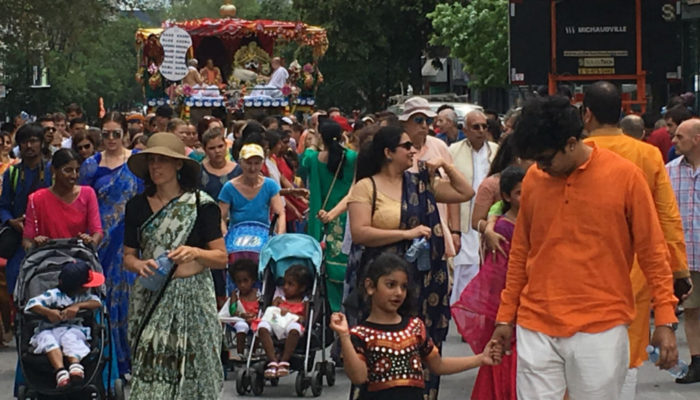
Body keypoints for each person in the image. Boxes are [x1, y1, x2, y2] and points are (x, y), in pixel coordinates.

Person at [491, 96, 679, 399]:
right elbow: (521, 254)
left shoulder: (625, 177)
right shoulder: (534, 182)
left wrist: (666, 319)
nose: (540, 167)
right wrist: (505, 317)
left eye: (545, 159)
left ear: (570, 143)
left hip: (601, 325)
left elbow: (652, 251)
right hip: (535, 322)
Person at [347, 125, 473, 400]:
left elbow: (465, 193)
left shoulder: (420, 183)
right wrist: (406, 234)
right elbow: (360, 232)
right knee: (379, 347)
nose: (414, 150)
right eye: (406, 146)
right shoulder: (366, 187)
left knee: (421, 344)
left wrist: (445, 167)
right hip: (383, 279)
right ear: (388, 153)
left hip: (422, 280)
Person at [581, 81, 690, 398]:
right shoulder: (647, 156)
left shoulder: (573, 154)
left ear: (586, 114)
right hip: (634, 270)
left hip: (580, 270)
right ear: (622, 111)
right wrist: (678, 272)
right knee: (628, 355)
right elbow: (667, 216)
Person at [123, 132, 227, 399]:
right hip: (150, 296)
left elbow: (221, 257)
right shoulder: (136, 206)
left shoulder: (202, 206)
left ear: (178, 164)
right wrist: (139, 265)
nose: (155, 167)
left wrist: (195, 252)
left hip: (192, 299)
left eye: (163, 160)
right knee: (149, 365)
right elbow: (128, 256)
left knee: (196, 368)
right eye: (152, 161)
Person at [330, 253, 501, 400]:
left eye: (403, 287)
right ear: (370, 286)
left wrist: (480, 359)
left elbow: (438, 365)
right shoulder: (360, 335)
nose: (398, 292)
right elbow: (359, 377)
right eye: (390, 285)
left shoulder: (414, 327)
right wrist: (344, 336)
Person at [79, 111, 143, 377]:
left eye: (117, 134)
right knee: (102, 299)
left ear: (126, 135)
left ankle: (130, 361)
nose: (111, 139)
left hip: (129, 240)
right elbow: (81, 201)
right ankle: (108, 361)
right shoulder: (92, 165)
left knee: (128, 300)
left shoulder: (138, 162)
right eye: (106, 134)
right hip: (100, 241)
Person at [453, 166, 524, 400]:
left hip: (526, 305)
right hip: (510, 308)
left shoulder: (525, 223)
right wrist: (504, 315)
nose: (525, 198)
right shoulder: (503, 229)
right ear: (506, 196)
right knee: (507, 363)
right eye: (519, 194)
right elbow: (498, 277)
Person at [299, 120, 357, 312]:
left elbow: (303, 162)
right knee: (344, 264)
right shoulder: (351, 158)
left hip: (321, 218)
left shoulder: (313, 159)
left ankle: (332, 311)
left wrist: (315, 142)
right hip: (345, 217)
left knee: (326, 267)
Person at [24, 260, 104, 388]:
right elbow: (31, 304)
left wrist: (78, 306)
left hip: (73, 328)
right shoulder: (53, 295)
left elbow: (97, 303)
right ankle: (60, 371)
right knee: (47, 339)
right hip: (49, 330)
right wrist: (48, 312)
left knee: (71, 337)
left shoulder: (85, 296)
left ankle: (75, 366)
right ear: (80, 286)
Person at [449, 109, 499, 304]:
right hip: (463, 219)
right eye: (475, 127)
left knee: (487, 267)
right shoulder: (453, 151)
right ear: (465, 129)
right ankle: (466, 314)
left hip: (490, 218)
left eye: (484, 126)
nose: (480, 131)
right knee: (466, 268)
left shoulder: (496, 151)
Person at [0, 123, 52, 297]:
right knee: (16, 284)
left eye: (33, 141)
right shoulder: (12, 173)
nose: (29, 146)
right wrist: (11, 221)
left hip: (50, 238)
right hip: (20, 240)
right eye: (24, 142)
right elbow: (4, 205)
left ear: (41, 143)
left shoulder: (53, 171)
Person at [666, 118, 700, 384]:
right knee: (691, 310)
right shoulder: (669, 172)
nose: (673, 141)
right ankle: (697, 362)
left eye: (679, 137)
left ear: (696, 139)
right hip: (686, 256)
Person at [23, 149, 103, 249]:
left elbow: (97, 231)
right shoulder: (36, 198)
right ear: (53, 170)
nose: (74, 175)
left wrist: (90, 242)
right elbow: (27, 240)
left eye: (77, 170)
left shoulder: (88, 194)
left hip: (78, 257)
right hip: (47, 258)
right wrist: (36, 244)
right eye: (68, 170)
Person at [200, 128, 237, 307]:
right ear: (205, 150)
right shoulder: (199, 172)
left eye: (220, 146)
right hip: (206, 231)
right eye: (212, 148)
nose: (217, 151)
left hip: (234, 228)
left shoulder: (238, 171)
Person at [219, 143, 286, 235]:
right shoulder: (229, 188)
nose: (252, 168)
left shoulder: (270, 185)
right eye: (248, 163)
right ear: (240, 163)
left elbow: (280, 213)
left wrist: (279, 235)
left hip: (263, 236)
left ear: (262, 164)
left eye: (257, 163)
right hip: (236, 238)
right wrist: (225, 236)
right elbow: (221, 218)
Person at [257, 264, 311, 378]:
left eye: (290, 284)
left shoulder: (305, 301)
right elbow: (271, 312)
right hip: (276, 322)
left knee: (295, 329)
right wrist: (276, 306)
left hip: (291, 325)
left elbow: (304, 319)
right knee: (262, 326)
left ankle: (284, 361)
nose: (285, 287)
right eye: (284, 283)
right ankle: (273, 361)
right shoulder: (280, 297)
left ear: (301, 288)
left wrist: (292, 315)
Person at [227, 258, 260, 358]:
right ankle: (240, 353)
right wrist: (242, 315)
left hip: (254, 319)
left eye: (246, 281)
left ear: (253, 280)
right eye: (239, 282)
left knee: (259, 326)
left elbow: (262, 309)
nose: (242, 285)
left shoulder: (258, 294)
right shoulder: (236, 294)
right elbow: (232, 310)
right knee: (242, 326)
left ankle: (253, 352)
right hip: (239, 319)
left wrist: (254, 316)